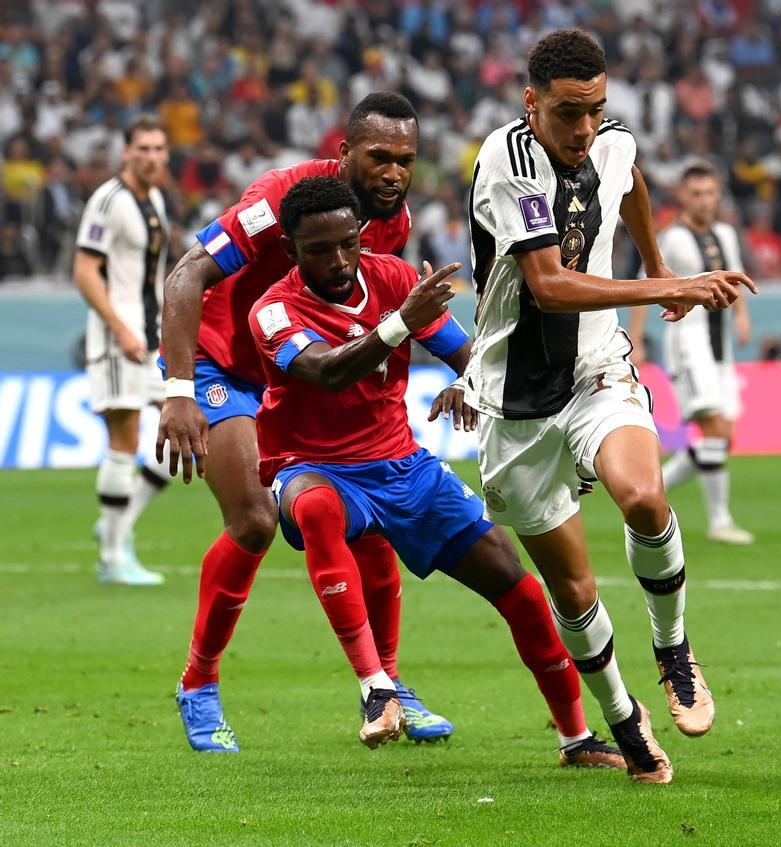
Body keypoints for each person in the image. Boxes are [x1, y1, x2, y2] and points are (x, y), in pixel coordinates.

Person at [461, 29, 755, 783]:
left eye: (595, 109)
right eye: (566, 113)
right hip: (516, 400)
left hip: (596, 367)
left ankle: (674, 651)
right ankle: (623, 715)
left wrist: (653, 255)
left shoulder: (608, 140)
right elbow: (550, 284)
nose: (584, 128)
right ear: (531, 104)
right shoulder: (507, 160)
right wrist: (667, 285)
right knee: (576, 589)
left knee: (645, 496)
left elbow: (630, 179)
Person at [248, 176, 622, 764]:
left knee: (520, 588)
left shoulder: (395, 279)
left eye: (348, 243)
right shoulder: (271, 311)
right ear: (290, 249)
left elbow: (468, 355)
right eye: (319, 250)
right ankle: (377, 688)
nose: (339, 260)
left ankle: (576, 737)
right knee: (316, 509)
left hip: (403, 467)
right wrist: (399, 323)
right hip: (315, 467)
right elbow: (326, 372)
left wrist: (469, 381)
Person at [156, 93, 450, 751]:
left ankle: (389, 686)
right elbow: (185, 276)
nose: (393, 172)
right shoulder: (276, 200)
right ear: (345, 153)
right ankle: (198, 684)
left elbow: (366, 321)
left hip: (298, 372)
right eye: (379, 156)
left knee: (366, 515)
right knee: (256, 520)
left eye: (405, 159)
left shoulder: (391, 222)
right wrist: (178, 391)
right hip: (221, 365)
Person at [630, 162, 755, 545]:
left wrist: (742, 316)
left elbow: (732, 274)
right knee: (714, 428)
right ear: (683, 196)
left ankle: (650, 491)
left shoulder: (726, 234)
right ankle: (719, 520)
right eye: (696, 193)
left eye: (710, 192)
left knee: (724, 436)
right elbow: (644, 284)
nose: (705, 200)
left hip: (720, 344)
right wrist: (636, 340)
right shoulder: (671, 238)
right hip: (687, 340)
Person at [73, 116, 173, 586]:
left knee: (187, 434)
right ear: (126, 152)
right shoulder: (107, 201)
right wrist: (120, 329)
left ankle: (118, 522)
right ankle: (112, 557)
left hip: (153, 335)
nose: (152, 156)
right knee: (125, 439)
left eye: (159, 148)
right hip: (119, 338)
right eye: (144, 148)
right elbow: (85, 271)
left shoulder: (154, 199)